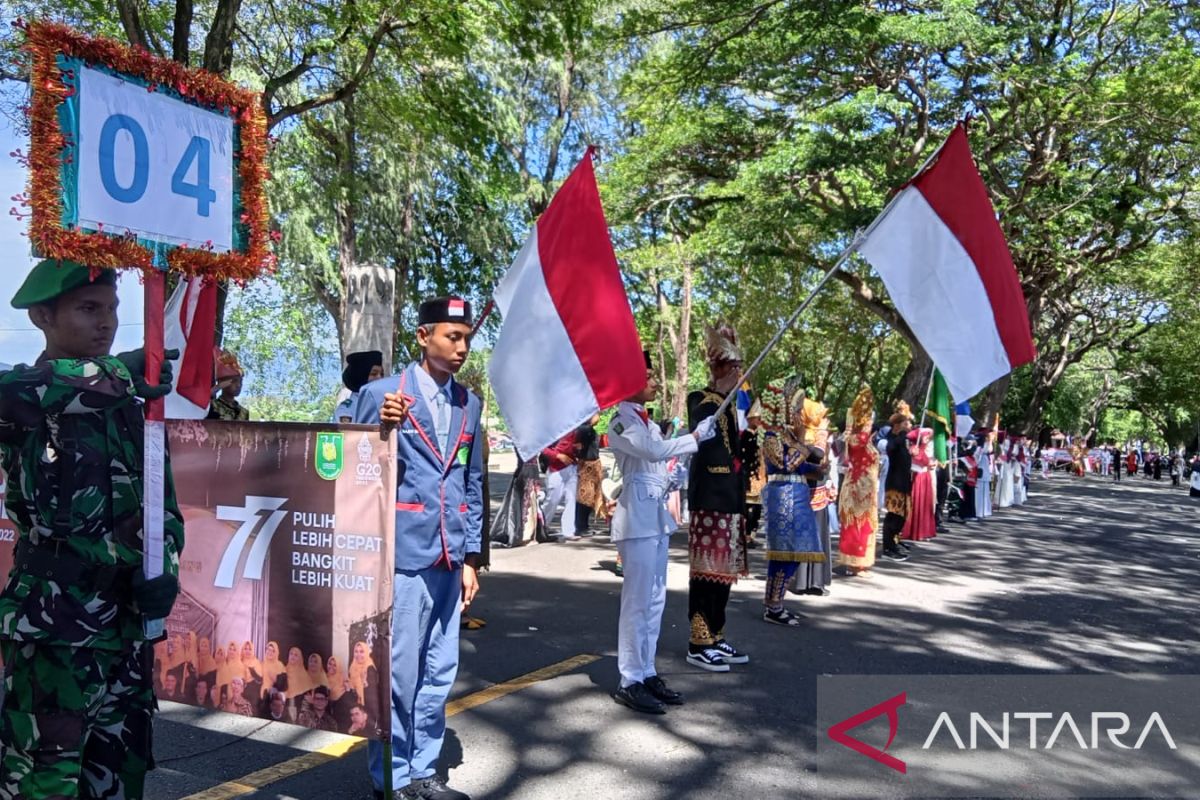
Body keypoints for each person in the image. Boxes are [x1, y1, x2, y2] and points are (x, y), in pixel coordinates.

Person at [0, 259, 185, 800]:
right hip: (54, 628)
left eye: (112, 310)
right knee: (42, 781)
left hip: (124, 630)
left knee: (118, 779)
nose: (106, 324)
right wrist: (119, 377)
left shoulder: (130, 409)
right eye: (88, 309)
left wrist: (164, 569)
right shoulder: (26, 399)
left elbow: (164, 509)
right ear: (42, 316)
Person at [354, 296, 483, 800]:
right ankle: (391, 777)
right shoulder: (383, 394)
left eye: (467, 338)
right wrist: (381, 430)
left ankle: (424, 769)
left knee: (439, 669)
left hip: (450, 557)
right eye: (452, 336)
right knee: (398, 673)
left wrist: (472, 557)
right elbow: (350, 465)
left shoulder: (468, 403)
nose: (462, 348)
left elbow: (471, 483)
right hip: (401, 553)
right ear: (423, 337)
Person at [608, 350, 713, 713]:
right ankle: (629, 678)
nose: (654, 381)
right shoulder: (619, 423)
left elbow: (659, 466)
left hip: (654, 517)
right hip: (636, 520)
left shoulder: (648, 422)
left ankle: (647, 669)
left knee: (655, 601)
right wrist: (693, 438)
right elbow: (651, 452)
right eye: (648, 375)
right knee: (636, 603)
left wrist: (678, 469)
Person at [684, 324, 751, 671]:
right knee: (706, 573)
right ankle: (698, 641)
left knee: (723, 574)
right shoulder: (702, 400)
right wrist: (724, 393)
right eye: (733, 366)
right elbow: (702, 430)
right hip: (709, 499)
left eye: (740, 366)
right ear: (718, 368)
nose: (739, 373)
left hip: (731, 501)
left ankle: (716, 633)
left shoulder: (730, 407)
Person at [759, 376, 825, 624]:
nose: (798, 414)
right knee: (784, 552)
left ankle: (775, 602)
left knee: (796, 552)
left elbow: (798, 465)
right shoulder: (770, 436)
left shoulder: (786, 435)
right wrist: (803, 445)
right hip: (783, 496)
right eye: (795, 408)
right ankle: (773, 606)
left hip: (796, 494)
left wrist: (814, 469)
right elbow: (786, 464)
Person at [838, 386, 881, 576]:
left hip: (862, 487)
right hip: (859, 488)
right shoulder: (860, 441)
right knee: (858, 524)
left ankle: (858, 562)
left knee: (860, 524)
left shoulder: (861, 441)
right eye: (869, 421)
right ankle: (855, 563)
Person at [881, 401, 914, 561]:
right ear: (897, 425)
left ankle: (895, 540)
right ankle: (888, 546)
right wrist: (901, 435)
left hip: (904, 481)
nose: (909, 425)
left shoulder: (904, 439)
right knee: (894, 515)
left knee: (902, 515)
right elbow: (891, 449)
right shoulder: (892, 439)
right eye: (906, 422)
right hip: (895, 483)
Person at [540, 430, 579, 540]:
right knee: (552, 500)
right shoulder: (550, 428)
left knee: (571, 499)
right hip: (555, 469)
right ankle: (542, 525)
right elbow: (542, 448)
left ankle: (568, 530)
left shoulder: (574, 427)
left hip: (571, 466)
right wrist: (557, 455)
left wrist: (577, 448)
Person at [901, 427, 938, 542]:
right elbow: (914, 463)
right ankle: (916, 531)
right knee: (918, 503)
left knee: (925, 504)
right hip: (918, 478)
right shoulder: (914, 448)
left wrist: (931, 464)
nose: (928, 437)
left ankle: (924, 530)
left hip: (925, 477)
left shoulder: (923, 448)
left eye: (928, 435)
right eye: (925, 435)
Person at [574, 414, 604, 535]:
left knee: (592, 497)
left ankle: (585, 525)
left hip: (594, 465)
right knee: (584, 496)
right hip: (587, 465)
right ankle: (580, 526)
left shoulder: (591, 430)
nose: (598, 417)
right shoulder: (583, 429)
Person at [335, 350, 385, 422]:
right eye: (374, 374)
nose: (380, 378)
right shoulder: (346, 409)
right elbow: (347, 432)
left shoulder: (384, 404)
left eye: (382, 374)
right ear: (361, 376)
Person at [741, 401, 766, 549]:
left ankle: (752, 535)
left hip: (761, 477)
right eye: (758, 418)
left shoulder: (759, 435)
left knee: (757, 509)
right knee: (749, 508)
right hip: (749, 477)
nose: (760, 421)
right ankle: (745, 535)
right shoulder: (746, 436)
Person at [208, 347, 250, 421]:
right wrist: (217, 387)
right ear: (222, 383)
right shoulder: (212, 405)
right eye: (234, 381)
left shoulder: (244, 413)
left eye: (241, 382)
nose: (239, 385)